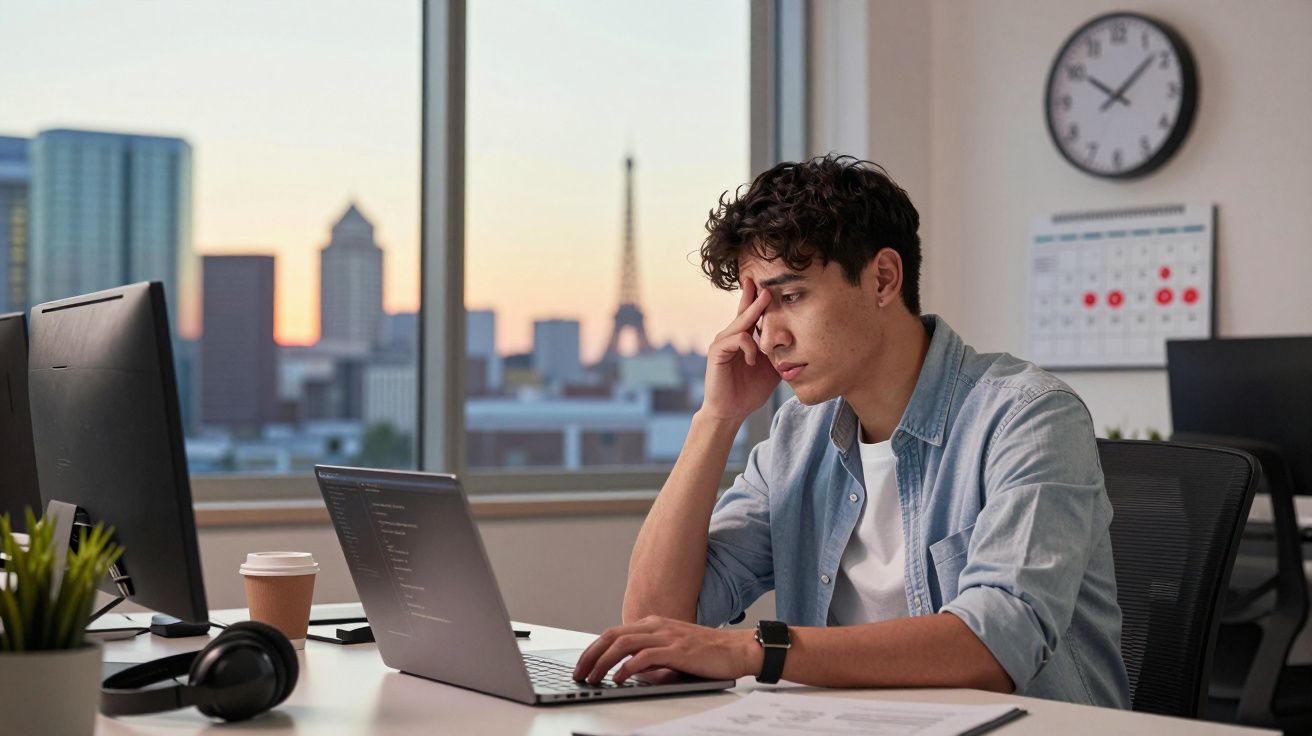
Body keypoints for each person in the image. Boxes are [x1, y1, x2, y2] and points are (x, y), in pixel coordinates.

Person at [572, 154, 1130, 708]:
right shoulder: (797, 437)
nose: (769, 338)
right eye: (758, 310)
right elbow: (657, 623)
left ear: (883, 279)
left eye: (790, 297)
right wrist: (716, 420)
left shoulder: (1028, 416)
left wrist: (756, 651)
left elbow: (996, 642)